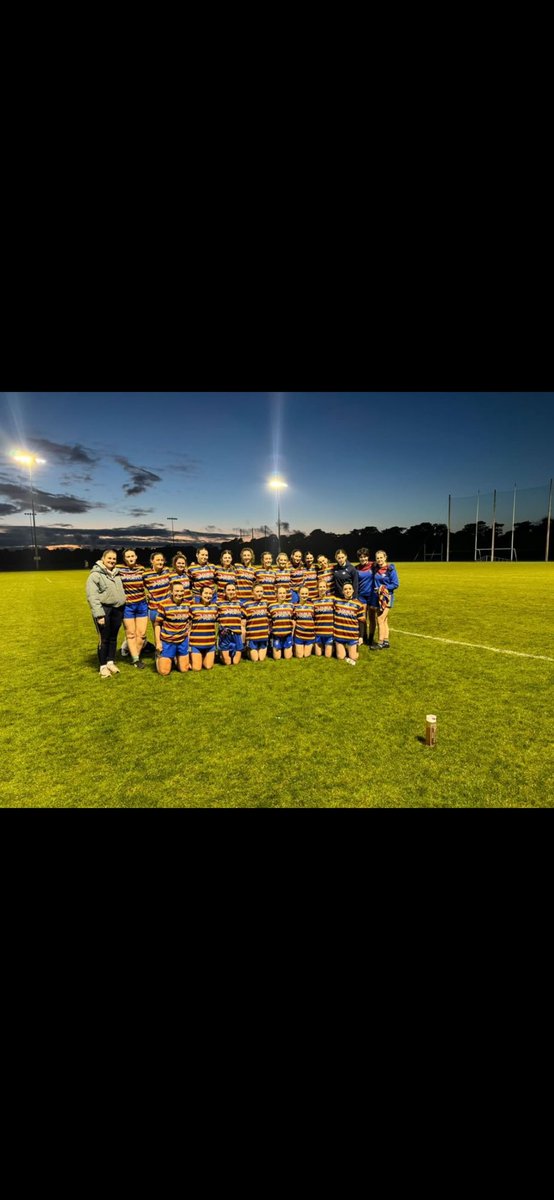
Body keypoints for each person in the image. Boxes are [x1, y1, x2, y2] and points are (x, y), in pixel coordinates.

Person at [86, 549, 126, 678]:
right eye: (109, 558)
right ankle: (103, 666)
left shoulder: (117, 573)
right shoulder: (95, 575)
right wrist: (99, 615)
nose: (112, 561)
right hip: (104, 610)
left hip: (117, 609)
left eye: (114, 559)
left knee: (113, 638)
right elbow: (92, 596)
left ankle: (110, 662)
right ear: (103, 559)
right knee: (104, 639)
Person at [117, 548, 148, 668]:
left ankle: (135, 655)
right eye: (128, 557)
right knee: (130, 634)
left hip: (141, 604)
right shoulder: (119, 569)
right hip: (127, 606)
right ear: (124, 559)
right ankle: (136, 659)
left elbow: (148, 582)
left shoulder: (141, 569)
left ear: (136, 557)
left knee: (141, 634)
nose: (130, 558)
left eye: (132, 556)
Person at [155, 580, 191, 675]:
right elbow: (157, 624)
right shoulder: (164, 604)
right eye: (177, 591)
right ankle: (159, 656)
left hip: (182, 641)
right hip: (168, 641)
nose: (179, 593)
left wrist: (188, 636)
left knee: (184, 669)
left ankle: (176, 657)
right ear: (171, 592)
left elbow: (189, 622)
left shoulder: (188, 604)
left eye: (181, 591)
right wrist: (158, 642)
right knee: (164, 672)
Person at [369, 550, 400, 649]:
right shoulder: (376, 568)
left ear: (385, 557)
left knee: (380, 619)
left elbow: (395, 584)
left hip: (387, 597)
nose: (379, 560)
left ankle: (380, 643)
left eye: (381, 557)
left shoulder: (390, 569)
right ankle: (386, 641)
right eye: (377, 558)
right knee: (385, 620)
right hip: (378, 597)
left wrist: (383, 588)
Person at [143, 552, 172, 652]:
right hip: (154, 608)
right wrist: (146, 594)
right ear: (152, 561)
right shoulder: (146, 574)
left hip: (167, 608)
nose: (160, 562)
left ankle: (169, 654)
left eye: (162, 560)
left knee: (168, 631)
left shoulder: (167, 571)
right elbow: (137, 585)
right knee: (158, 633)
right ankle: (159, 655)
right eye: (158, 560)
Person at [333, 580, 365, 665]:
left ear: (353, 590)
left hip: (352, 635)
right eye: (345, 589)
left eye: (350, 589)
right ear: (342, 591)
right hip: (339, 634)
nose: (348, 591)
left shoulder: (358, 604)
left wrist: (361, 636)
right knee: (340, 657)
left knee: (354, 657)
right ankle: (338, 647)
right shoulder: (337, 602)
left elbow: (361, 621)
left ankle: (352, 650)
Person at [189, 584, 218, 670]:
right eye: (206, 593)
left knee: (208, 666)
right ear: (201, 595)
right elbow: (188, 624)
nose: (208, 595)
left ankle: (201, 657)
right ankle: (190, 658)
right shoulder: (193, 607)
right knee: (196, 668)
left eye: (210, 594)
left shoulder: (215, 607)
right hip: (196, 643)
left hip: (210, 643)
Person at [216, 582, 244, 665]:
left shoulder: (240, 604)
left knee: (235, 662)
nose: (231, 592)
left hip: (237, 634)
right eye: (228, 590)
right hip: (225, 634)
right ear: (225, 591)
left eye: (233, 590)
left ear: (235, 591)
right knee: (227, 662)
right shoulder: (218, 604)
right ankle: (222, 652)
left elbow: (245, 617)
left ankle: (233, 650)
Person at [242, 582, 270, 662]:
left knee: (261, 659)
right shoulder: (246, 605)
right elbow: (243, 622)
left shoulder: (266, 603)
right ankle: (248, 649)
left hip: (263, 635)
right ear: (252, 593)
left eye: (261, 591)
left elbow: (269, 618)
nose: (259, 593)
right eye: (257, 591)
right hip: (252, 636)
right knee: (255, 659)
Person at [268, 584, 294, 660]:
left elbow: (293, 620)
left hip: (287, 634)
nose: (282, 595)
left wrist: (292, 632)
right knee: (277, 658)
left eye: (284, 593)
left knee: (288, 657)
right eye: (280, 593)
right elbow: (269, 621)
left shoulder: (291, 605)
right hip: (276, 635)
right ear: (276, 594)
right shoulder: (271, 606)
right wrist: (270, 630)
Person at [356, 547, 374, 645]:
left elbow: (383, 566)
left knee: (371, 618)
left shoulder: (373, 566)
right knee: (363, 617)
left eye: (365, 557)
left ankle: (370, 638)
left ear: (368, 557)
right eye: (361, 557)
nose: (363, 559)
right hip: (361, 596)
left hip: (371, 596)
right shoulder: (356, 568)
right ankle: (363, 637)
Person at [313, 577, 335, 657]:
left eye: (324, 587)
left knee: (328, 655)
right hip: (318, 632)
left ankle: (333, 646)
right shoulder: (314, 601)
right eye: (320, 587)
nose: (322, 589)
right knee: (318, 654)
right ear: (317, 588)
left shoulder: (332, 599)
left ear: (327, 588)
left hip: (329, 632)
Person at [292, 585, 316, 658]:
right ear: (299, 594)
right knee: (299, 656)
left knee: (306, 655)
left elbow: (315, 619)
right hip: (299, 635)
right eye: (302, 594)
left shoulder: (312, 605)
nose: (304, 595)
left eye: (306, 594)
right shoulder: (295, 606)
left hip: (310, 635)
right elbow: (293, 620)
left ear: (308, 594)